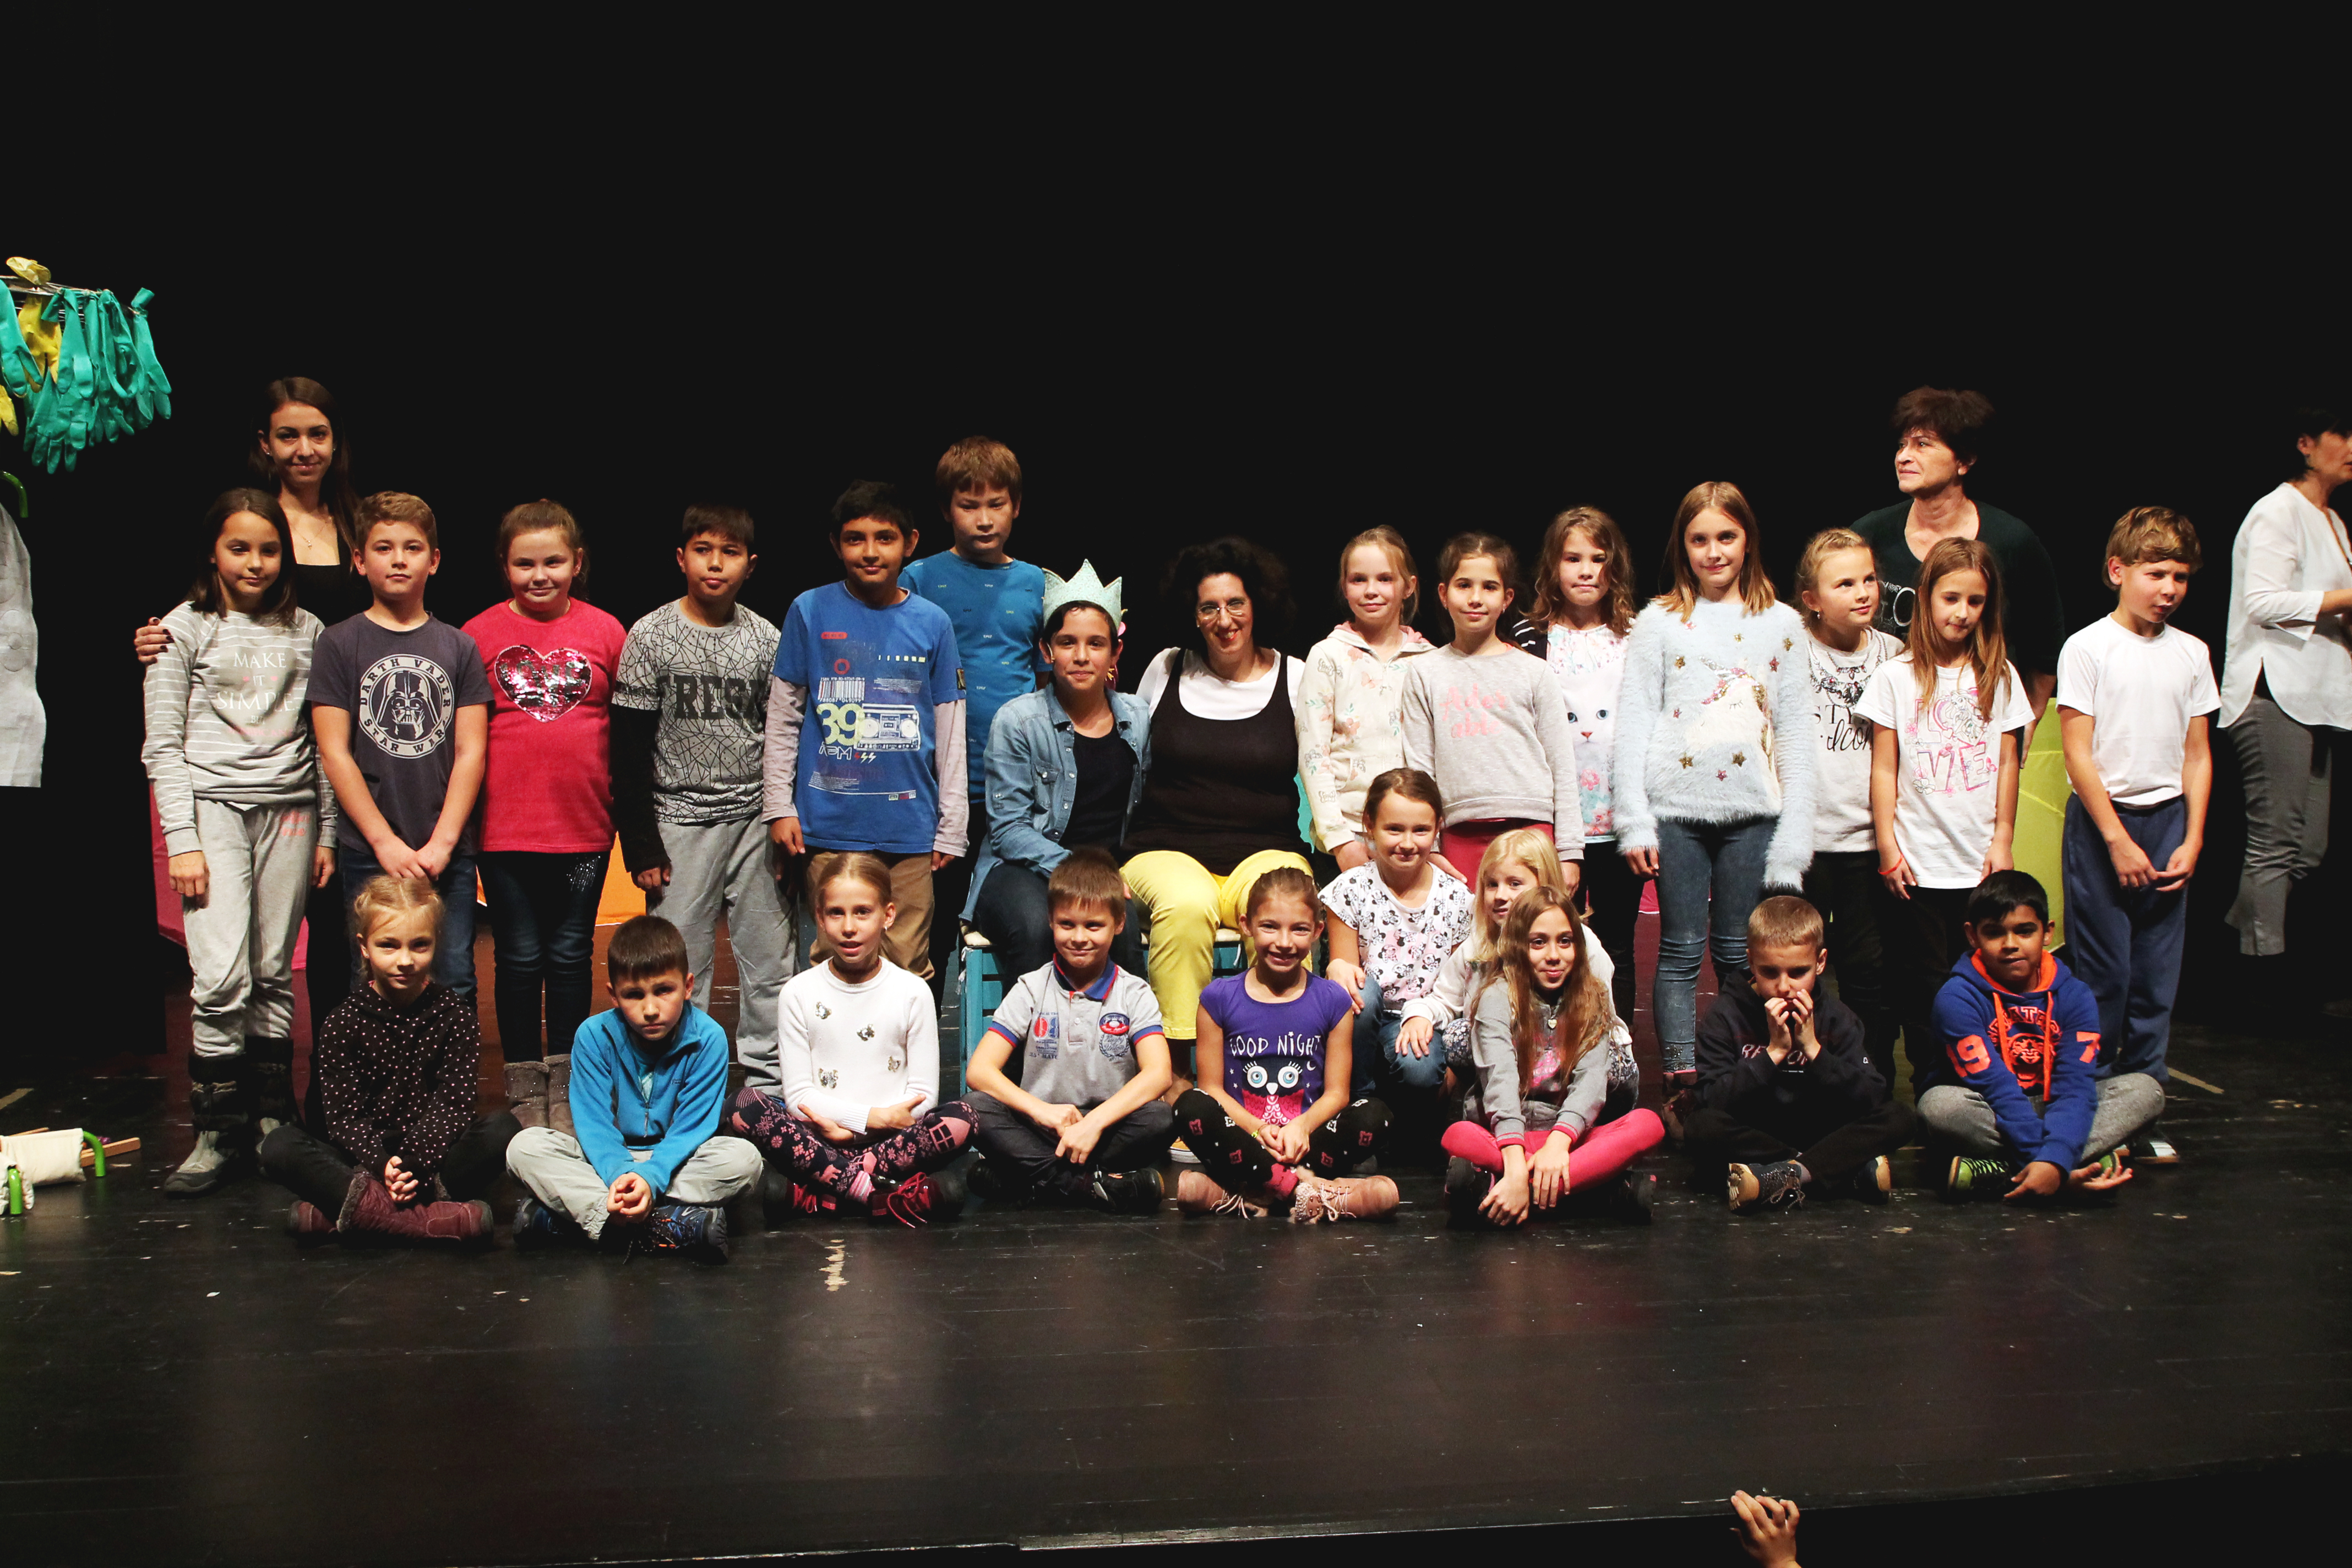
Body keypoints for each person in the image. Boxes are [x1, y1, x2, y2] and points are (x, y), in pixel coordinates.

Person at [134, 378, 372, 1026]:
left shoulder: (360, 524)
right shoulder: (247, 519)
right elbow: (195, 618)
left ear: (336, 442)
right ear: (265, 443)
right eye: (288, 435)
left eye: (318, 434)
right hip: (258, 748)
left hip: (341, 749)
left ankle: (333, 1079)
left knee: (342, 928)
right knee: (257, 956)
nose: (304, 449)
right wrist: (156, 639)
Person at [141, 489, 339, 1196]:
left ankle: (269, 1121)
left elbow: (324, 739)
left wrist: (328, 830)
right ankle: (216, 1129)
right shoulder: (181, 629)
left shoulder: (309, 629)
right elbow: (162, 746)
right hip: (213, 810)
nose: (255, 563)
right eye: (239, 548)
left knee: (273, 971)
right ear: (212, 552)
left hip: (291, 812)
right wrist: (183, 840)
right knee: (222, 976)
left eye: (269, 549)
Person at [1612, 483, 1817, 1123]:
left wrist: (1792, 844)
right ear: (1683, 546)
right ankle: (1682, 1082)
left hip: (1752, 814)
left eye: (1726, 536)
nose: (1713, 551)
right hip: (1675, 811)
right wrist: (1633, 820)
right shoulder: (1659, 621)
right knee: (1679, 951)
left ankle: (1737, 1073)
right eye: (1699, 539)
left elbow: (1796, 734)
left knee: (1736, 953)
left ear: (1747, 539)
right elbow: (1635, 721)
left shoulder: (1782, 624)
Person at [611, 505, 793, 1089]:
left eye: (730, 552)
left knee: (770, 960)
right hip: (678, 822)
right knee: (678, 960)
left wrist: (783, 816)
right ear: (681, 557)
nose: (715, 564)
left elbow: (783, 735)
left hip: (754, 821)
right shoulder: (651, 635)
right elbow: (629, 748)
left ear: (750, 565)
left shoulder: (766, 639)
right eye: (703, 550)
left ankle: (768, 1084)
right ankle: (682, 1080)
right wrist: (641, 843)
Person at [1121, 537, 1313, 1090]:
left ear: (1258, 605)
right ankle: (1178, 1074)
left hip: (1265, 850)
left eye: (1235, 604)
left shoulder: (1297, 677)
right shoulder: (1166, 668)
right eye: (1209, 607)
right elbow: (1128, 764)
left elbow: (1327, 772)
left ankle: (1278, 1069)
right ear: (1193, 614)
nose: (1224, 620)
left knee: (1282, 907)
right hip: (1165, 850)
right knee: (1187, 904)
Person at [461, 500, 627, 1128]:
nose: (540, 575)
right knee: (519, 956)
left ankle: (567, 1081)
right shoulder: (476, 635)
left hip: (584, 834)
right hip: (504, 835)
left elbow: (625, 732)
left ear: (577, 562)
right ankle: (525, 1085)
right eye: (524, 563)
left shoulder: (606, 631)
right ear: (504, 566)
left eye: (553, 562)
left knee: (570, 954)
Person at [763, 482, 967, 978]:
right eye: (856, 539)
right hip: (829, 825)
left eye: (885, 538)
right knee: (835, 962)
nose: (871, 552)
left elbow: (950, 726)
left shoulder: (933, 623)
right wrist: (779, 806)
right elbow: (784, 716)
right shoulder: (809, 610)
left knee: (907, 964)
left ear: (910, 543)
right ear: (836, 545)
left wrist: (953, 824)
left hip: (910, 829)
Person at [1857, 538, 2034, 1088]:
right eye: (1951, 598)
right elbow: (1884, 768)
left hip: (1978, 864)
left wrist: (2003, 839)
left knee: (1980, 981)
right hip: (1919, 865)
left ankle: (1977, 1087)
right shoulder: (1896, 677)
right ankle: (1933, 1091)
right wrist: (1889, 846)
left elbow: (2008, 763)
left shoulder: (2000, 676)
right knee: (1924, 987)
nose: (1962, 612)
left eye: (1975, 601)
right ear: (1927, 596)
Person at [307, 493, 492, 1000]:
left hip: (446, 851)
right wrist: (383, 842)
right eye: (383, 548)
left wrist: (444, 843)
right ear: (359, 559)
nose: (398, 559)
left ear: (434, 560)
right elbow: (335, 753)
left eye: (412, 548)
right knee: (375, 979)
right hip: (369, 850)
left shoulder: (459, 646)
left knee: (453, 975)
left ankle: (449, 1061)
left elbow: (472, 753)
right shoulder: (338, 644)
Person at [727, 853, 976, 1227]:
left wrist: (866, 1130)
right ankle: (877, 1195)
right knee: (743, 1105)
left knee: (964, 1118)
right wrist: (869, 1118)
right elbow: (799, 1098)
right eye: (836, 913)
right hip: (820, 1139)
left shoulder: (913, 992)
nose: (849, 927)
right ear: (819, 917)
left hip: (889, 1144)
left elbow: (923, 1098)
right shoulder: (798, 993)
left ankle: (823, 1192)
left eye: (862, 912)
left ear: (887, 915)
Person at [263, 877, 515, 1244]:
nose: (405, 960)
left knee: (504, 1128)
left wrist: (412, 1165)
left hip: (432, 1161)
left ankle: (351, 1214)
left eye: (419, 945)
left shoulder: (455, 1015)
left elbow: (453, 1105)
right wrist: (383, 1165)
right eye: (388, 945)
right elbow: (345, 1118)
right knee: (279, 1144)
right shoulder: (342, 1021)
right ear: (364, 947)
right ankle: (428, 1219)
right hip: (362, 1161)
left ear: (436, 943)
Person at [2059, 508, 2215, 1087]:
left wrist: (2193, 837)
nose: (2169, 589)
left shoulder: (2192, 652)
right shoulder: (2088, 647)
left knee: (2156, 973)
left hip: (2167, 819)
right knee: (2105, 973)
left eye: (2180, 577)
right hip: (2104, 824)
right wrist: (2116, 839)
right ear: (2117, 570)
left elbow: (2197, 754)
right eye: (2156, 574)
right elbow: (2078, 752)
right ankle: (2093, 1088)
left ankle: (2145, 1087)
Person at [507, 914, 760, 1259]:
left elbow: (692, 1129)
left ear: (688, 987)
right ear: (614, 995)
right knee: (524, 1148)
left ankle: (582, 1218)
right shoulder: (593, 1036)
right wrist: (621, 1175)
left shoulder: (708, 1039)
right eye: (634, 995)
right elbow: (594, 1125)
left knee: (744, 1160)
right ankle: (662, 1222)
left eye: (664, 991)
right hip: (605, 1162)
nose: (650, 1009)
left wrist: (650, 1179)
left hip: (676, 1161)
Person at [2217, 407, 2352, 1012]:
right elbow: (2264, 602)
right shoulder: (2278, 510)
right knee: (2275, 843)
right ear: (2305, 444)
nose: (2351, 446)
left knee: (2308, 849)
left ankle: (2237, 938)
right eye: (2341, 434)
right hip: (2273, 691)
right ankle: (2261, 980)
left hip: (2318, 697)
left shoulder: (2334, 522)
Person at [1171, 867, 1399, 1222]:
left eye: (1299, 929)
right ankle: (1310, 1192)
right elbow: (1212, 1089)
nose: (1284, 942)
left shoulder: (1333, 1000)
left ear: (1318, 931)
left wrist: (1301, 1127)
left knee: (1376, 1114)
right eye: (1270, 927)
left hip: (1306, 1142)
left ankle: (1244, 1194)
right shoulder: (1218, 998)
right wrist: (1259, 1130)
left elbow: (1337, 1094)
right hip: (1243, 1141)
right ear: (1246, 925)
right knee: (1189, 1104)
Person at [1919, 871, 2155, 1200]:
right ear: (1972, 936)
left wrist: (2053, 1161)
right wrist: (2051, 1164)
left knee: (2145, 1090)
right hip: (1989, 1108)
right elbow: (1996, 1090)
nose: (2010, 944)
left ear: (2047, 932)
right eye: (1994, 933)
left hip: (2053, 1104)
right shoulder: (1956, 998)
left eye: (2025, 931)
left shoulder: (2075, 996)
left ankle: (2003, 1171)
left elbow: (2074, 1087)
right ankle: (2066, 1168)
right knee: (1940, 1107)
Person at [904, 437, 1045, 979]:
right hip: (937, 784)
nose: (984, 519)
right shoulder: (919, 578)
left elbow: (1045, 681)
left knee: (1014, 918)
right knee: (930, 927)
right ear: (946, 510)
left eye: (996, 504)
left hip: (1014, 786)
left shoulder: (1035, 583)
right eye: (969, 505)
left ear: (1017, 506)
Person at [963, 849, 1175, 1212]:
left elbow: (1159, 1074)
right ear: (1050, 921)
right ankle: (1089, 1186)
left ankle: (1027, 1180)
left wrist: (1094, 1124)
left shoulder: (1134, 993)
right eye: (1067, 924)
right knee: (974, 1108)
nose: (1079, 937)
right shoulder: (1031, 988)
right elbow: (979, 1071)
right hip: (1041, 1127)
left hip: (1105, 1128)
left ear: (1119, 924)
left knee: (1161, 1117)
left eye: (1093, 926)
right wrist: (1043, 1113)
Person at [967, 561, 1150, 981]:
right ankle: (1033, 1027)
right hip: (1022, 868)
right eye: (1067, 643)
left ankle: (1118, 1026)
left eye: (1096, 644)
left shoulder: (1137, 717)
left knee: (1120, 928)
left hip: (1108, 870)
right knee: (1037, 927)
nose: (1081, 656)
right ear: (1047, 651)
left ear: (1115, 653)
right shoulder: (1017, 720)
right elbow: (1009, 830)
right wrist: (1083, 876)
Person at [1440, 885, 1662, 1226]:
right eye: (1538, 942)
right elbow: (1499, 1082)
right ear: (1517, 946)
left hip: (1569, 1140)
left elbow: (1591, 1082)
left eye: (1565, 941)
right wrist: (1516, 1164)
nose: (1554, 955)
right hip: (1505, 1139)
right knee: (1458, 1135)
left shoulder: (1592, 997)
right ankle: (1597, 1193)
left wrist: (1558, 1146)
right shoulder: (1497, 997)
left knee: (1647, 1125)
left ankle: (1507, 1191)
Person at [1685, 896, 1914, 1213]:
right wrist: (1773, 1053)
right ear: (1751, 961)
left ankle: (1783, 1175)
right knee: (1700, 1126)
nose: (1784, 987)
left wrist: (1815, 1051)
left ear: (1820, 962)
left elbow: (1872, 1096)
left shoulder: (1837, 1016)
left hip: (1820, 1127)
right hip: (1760, 1129)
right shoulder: (1725, 1014)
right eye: (1769, 972)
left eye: (1798, 972)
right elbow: (1712, 1100)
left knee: (1901, 1117)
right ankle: (1834, 1171)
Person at [1850, 386, 2066, 721]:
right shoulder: (1870, 534)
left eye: (1923, 444)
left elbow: (2046, 651)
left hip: (1976, 730)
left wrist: (2025, 728)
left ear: (1964, 461)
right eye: (1902, 445)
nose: (1904, 457)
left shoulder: (2011, 541)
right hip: (1888, 728)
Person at [1401, 533, 1585, 886]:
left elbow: (1562, 766)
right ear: (1443, 594)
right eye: (1464, 586)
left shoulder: (1535, 672)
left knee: (1531, 922)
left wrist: (1569, 852)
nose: (1476, 598)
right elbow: (1420, 770)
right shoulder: (1424, 673)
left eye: (1489, 587)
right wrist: (1431, 847)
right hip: (1458, 834)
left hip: (1531, 829)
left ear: (1507, 599)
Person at [1794, 527, 1904, 1094]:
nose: (1863, 592)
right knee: (1798, 970)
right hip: (1806, 843)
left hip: (1867, 843)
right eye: (1844, 584)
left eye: (1869, 579)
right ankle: (1801, 1077)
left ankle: (1869, 1078)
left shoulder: (1895, 654)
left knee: (1869, 970)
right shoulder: (1788, 649)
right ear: (1812, 598)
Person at [1398, 827, 1631, 1091]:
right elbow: (1444, 999)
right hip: (1502, 1061)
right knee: (1458, 1035)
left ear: (1545, 886)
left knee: (1615, 1065)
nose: (1500, 896)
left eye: (1515, 884)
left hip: (1566, 1062)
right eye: (1492, 885)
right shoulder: (1480, 944)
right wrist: (1420, 1016)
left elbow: (1605, 1020)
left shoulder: (1582, 944)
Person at [1528, 505, 1642, 1025]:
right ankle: (1550, 1053)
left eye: (1598, 559)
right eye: (1572, 558)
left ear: (1614, 567)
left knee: (1616, 944)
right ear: (1553, 565)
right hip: (1555, 824)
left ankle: (1616, 1051)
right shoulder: (1530, 638)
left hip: (1618, 824)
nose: (1585, 571)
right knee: (1548, 946)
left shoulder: (1635, 636)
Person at [1319, 768, 1474, 1126]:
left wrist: (1427, 1021)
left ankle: (1410, 1123)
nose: (1407, 842)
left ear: (1438, 828)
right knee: (1359, 990)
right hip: (1365, 1014)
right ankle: (1358, 1105)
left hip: (1425, 1016)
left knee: (1420, 1071)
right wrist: (1336, 968)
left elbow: (1457, 988)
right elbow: (1347, 976)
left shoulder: (1456, 898)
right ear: (1369, 825)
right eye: (1394, 829)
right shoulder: (1350, 889)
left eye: (1420, 830)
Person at [1297, 526, 1436, 870]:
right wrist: (1339, 840)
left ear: (1409, 586)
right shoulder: (1327, 656)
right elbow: (1313, 754)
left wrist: (1433, 840)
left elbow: (1438, 758)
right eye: (1359, 579)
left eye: (1385, 579)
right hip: (1349, 837)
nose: (1371, 590)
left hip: (1414, 840)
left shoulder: (1430, 661)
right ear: (1344, 587)